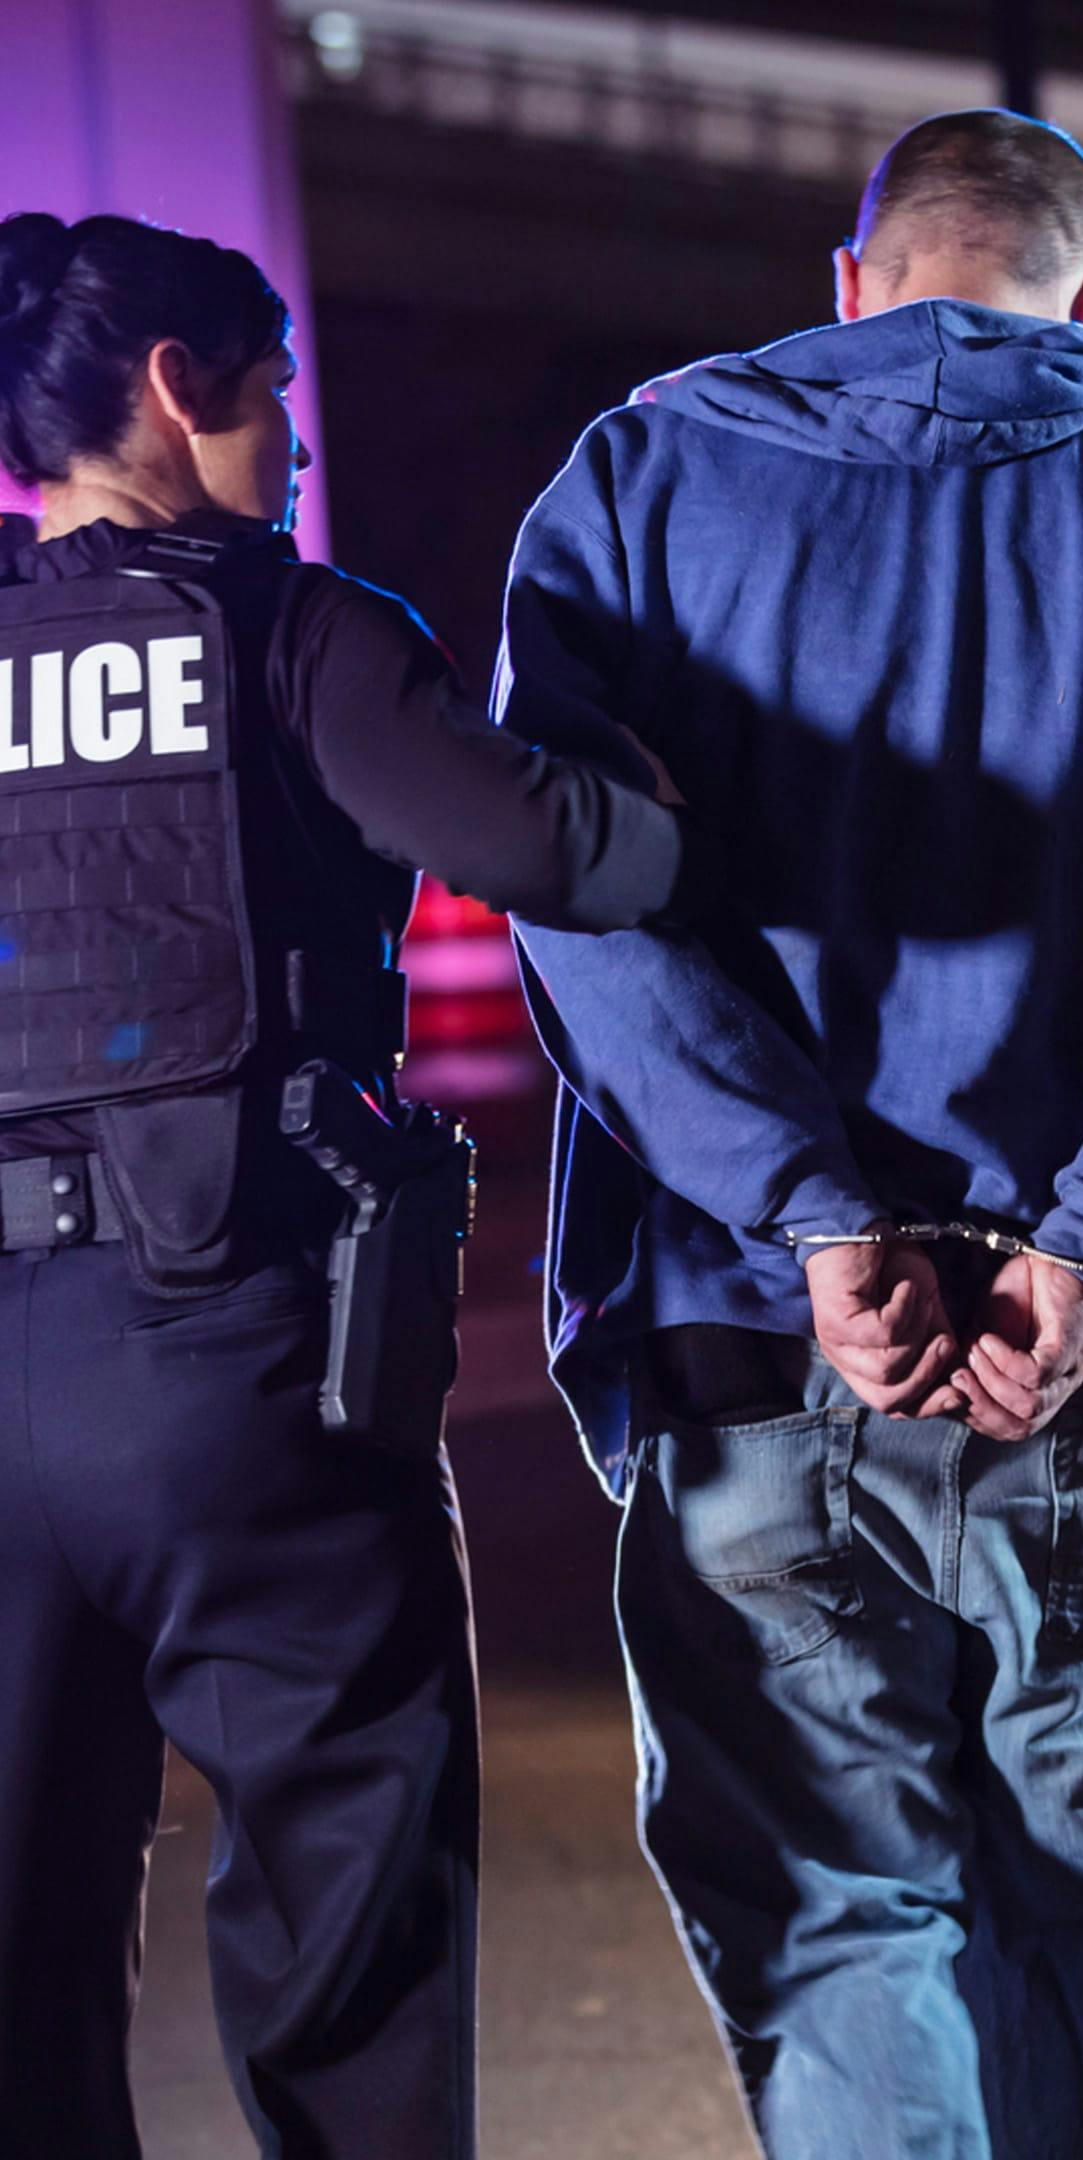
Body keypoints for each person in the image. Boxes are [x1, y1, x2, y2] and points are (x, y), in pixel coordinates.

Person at [499, 108, 1083, 2160]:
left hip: (754, 1333)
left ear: (850, 282)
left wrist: (805, 1214)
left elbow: (575, 895)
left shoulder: (638, 482)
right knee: (1078, 1943)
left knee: (832, 1939)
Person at [0, 211, 696, 2160]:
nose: (292, 436)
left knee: (21, 1958)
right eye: (274, 387)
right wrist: (669, 784)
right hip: (241, 1375)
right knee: (349, 1929)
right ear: (174, 389)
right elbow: (562, 852)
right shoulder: (289, 629)